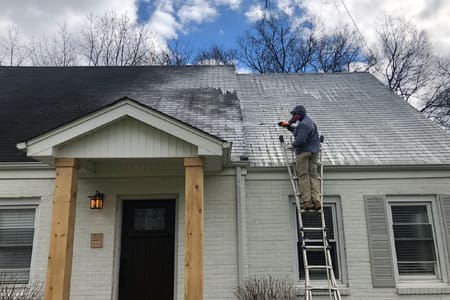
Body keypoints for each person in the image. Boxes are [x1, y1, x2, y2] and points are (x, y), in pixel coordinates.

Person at [288, 105, 321, 210]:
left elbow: (300, 140)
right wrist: (289, 125)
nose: (293, 116)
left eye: (294, 115)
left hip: (303, 152)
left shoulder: (304, 124)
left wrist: (292, 145)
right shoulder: (309, 122)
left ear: (299, 114)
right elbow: (298, 131)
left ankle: (307, 201)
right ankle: (316, 200)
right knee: (313, 175)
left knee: (303, 175)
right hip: (314, 152)